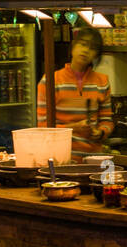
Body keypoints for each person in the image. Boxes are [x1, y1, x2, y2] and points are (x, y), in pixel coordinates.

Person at [37, 27, 113, 155]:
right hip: (60, 156)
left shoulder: (102, 82)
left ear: (96, 55)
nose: (86, 50)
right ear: (73, 46)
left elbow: (107, 120)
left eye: (92, 48)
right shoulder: (51, 80)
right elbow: (43, 127)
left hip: (93, 158)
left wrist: (100, 132)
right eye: (83, 44)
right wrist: (74, 128)